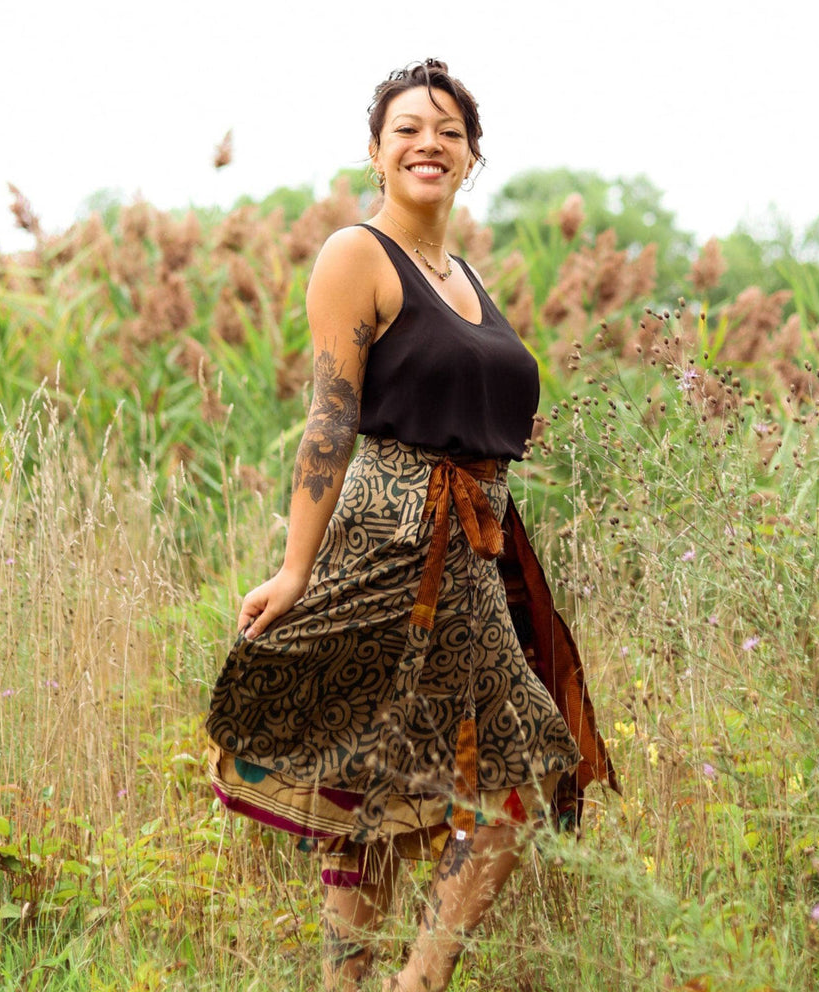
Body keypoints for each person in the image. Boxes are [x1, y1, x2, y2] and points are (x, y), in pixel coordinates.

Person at [206, 59, 616, 992]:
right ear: (376, 152)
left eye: (449, 131)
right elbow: (329, 418)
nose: (428, 142)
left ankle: (394, 981)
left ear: (473, 158)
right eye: (407, 129)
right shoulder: (356, 254)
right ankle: (392, 982)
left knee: (425, 774)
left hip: (473, 550)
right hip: (388, 540)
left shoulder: (466, 274)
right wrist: (296, 569)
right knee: (443, 771)